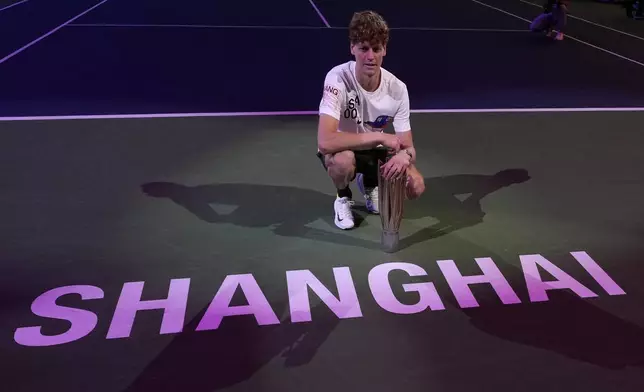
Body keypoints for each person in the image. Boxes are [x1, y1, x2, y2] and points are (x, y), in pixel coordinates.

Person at [316, 10, 425, 230]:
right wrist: (379, 137)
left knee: (416, 185)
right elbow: (325, 142)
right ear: (352, 49)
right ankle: (343, 196)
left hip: (376, 153)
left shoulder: (398, 89)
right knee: (343, 162)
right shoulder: (337, 79)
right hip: (343, 148)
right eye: (364, 48)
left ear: (384, 50)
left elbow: (409, 148)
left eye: (376, 49)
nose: (370, 56)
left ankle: (370, 183)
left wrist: (405, 157)